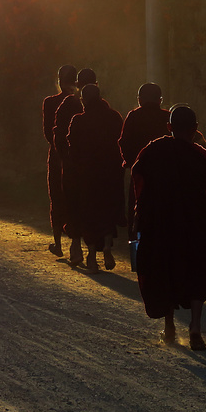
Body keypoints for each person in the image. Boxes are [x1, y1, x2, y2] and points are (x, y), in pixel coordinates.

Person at [131, 105, 206, 351]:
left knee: (165, 269)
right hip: (194, 222)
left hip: (159, 222)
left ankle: (170, 326)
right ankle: (195, 328)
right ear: (195, 129)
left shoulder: (152, 151)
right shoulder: (203, 156)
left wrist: (139, 214)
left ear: (169, 127)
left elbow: (137, 178)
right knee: (197, 270)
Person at [68, 84, 125, 273]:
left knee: (89, 214)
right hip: (110, 173)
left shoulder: (78, 121)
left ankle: (92, 256)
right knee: (108, 211)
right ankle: (107, 246)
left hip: (87, 176)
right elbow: (121, 144)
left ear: (84, 100)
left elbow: (72, 150)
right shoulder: (114, 117)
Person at [52, 68, 97, 267]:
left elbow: (58, 136)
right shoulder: (104, 110)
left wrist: (66, 159)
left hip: (72, 167)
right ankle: (93, 255)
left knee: (74, 206)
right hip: (94, 168)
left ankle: (77, 248)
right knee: (93, 208)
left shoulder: (68, 106)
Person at [118, 82, 170, 240]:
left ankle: (136, 245)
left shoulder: (134, 116)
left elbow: (124, 142)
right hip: (166, 175)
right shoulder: (167, 117)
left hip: (139, 173)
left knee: (137, 211)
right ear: (160, 100)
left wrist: (131, 162)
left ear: (139, 99)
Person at [42, 64, 77, 257]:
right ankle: (76, 243)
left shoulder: (50, 102)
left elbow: (48, 132)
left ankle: (58, 243)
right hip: (77, 157)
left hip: (57, 157)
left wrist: (59, 149)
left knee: (56, 197)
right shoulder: (81, 102)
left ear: (59, 81)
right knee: (75, 198)